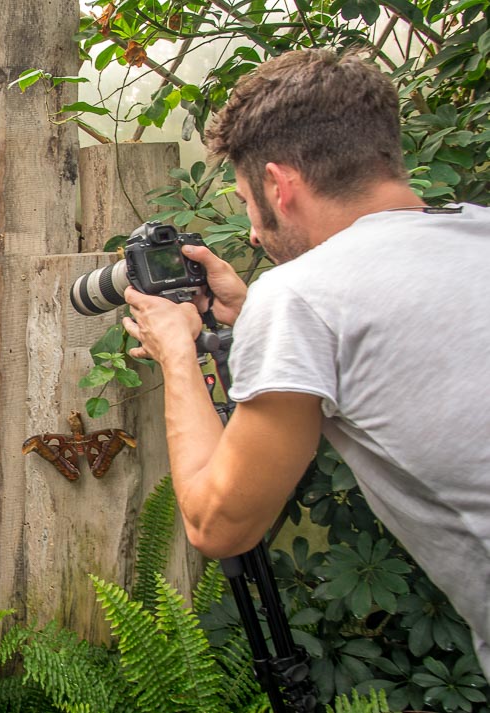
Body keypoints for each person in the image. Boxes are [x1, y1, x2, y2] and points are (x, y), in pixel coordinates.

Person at [120, 48, 490, 674]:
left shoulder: (300, 298)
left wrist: (178, 356)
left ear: (278, 185)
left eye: (244, 200)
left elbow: (217, 525)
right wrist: (250, 321)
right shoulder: (476, 230)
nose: (254, 232)